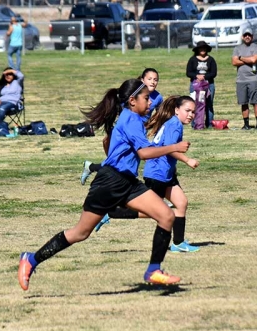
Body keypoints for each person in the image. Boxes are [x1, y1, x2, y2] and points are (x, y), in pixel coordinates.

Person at [17, 79, 191, 291]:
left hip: (127, 182)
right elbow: (144, 153)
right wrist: (174, 147)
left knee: (167, 215)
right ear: (132, 100)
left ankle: (154, 270)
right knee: (80, 233)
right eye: (146, 98)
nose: (149, 102)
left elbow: (109, 142)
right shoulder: (131, 120)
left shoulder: (133, 116)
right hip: (109, 182)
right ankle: (31, 260)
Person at [93, 96, 201, 253]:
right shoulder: (175, 126)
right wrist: (187, 160)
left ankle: (178, 243)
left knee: (181, 203)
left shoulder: (173, 122)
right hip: (157, 174)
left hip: (167, 174)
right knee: (154, 211)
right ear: (177, 110)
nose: (191, 115)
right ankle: (112, 212)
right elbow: (170, 148)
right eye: (187, 111)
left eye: (193, 111)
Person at [80, 68, 163, 185]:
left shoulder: (158, 97)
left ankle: (93, 167)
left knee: (127, 160)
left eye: (156, 79)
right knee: (121, 159)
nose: (153, 82)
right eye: (149, 79)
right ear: (142, 80)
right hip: (129, 131)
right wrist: (173, 149)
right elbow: (145, 154)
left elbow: (159, 115)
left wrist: (152, 125)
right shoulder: (130, 112)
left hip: (139, 130)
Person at [231, 30, 257, 130]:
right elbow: (234, 62)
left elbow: (254, 60)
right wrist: (247, 59)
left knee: (255, 102)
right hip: (241, 80)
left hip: (253, 78)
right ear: (242, 37)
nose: (247, 37)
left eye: (249, 35)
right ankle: (246, 124)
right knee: (243, 103)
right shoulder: (237, 48)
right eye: (245, 35)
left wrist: (240, 58)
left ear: (252, 37)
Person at [186, 41, 217, 128]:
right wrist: (197, 76)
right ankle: (195, 124)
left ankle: (210, 123)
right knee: (195, 104)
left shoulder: (211, 60)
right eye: (201, 48)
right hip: (196, 85)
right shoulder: (192, 60)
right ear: (197, 49)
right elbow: (188, 73)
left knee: (209, 104)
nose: (203, 50)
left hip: (209, 84)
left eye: (204, 48)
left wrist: (204, 77)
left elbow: (214, 73)